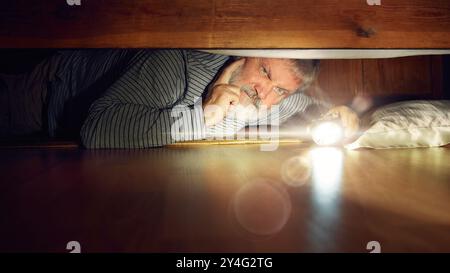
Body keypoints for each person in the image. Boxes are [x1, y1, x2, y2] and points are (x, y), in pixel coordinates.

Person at [0, 49, 359, 148]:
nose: (265, 93)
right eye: (265, 72)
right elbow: (99, 129)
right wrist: (202, 116)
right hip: (48, 90)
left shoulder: (274, 98)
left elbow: (313, 107)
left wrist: (338, 115)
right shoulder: (179, 66)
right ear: (243, 55)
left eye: (280, 89)